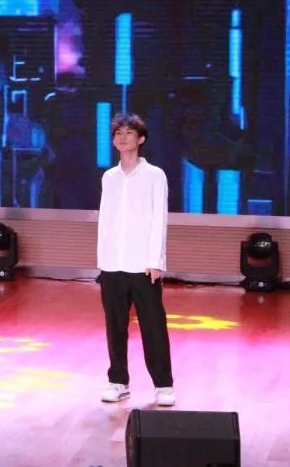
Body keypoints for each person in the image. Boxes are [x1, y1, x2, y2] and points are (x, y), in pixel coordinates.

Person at [97, 112, 175, 407]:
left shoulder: (155, 175)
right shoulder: (109, 177)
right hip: (112, 264)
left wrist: (156, 260)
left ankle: (163, 385)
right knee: (114, 325)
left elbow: (159, 220)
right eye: (118, 133)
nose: (123, 137)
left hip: (143, 265)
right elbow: (105, 220)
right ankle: (118, 381)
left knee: (153, 326)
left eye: (129, 132)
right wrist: (102, 259)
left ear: (140, 139)